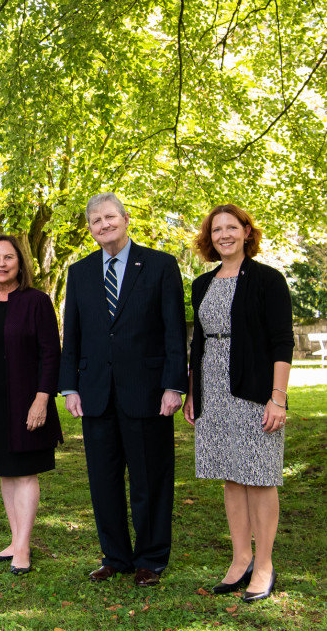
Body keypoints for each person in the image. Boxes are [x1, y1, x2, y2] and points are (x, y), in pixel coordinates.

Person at [59, 192, 187, 587]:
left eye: (110, 217)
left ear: (126, 218)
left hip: (148, 391)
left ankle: (151, 559)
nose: (104, 225)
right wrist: (69, 388)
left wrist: (173, 385)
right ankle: (115, 556)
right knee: (104, 480)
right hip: (96, 392)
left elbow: (173, 331)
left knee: (150, 478)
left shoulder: (161, 265)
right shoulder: (79, 273)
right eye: (96, 221)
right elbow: (73, 336)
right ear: (91, 229)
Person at [183, 204, 293, 603]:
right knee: (231, 474)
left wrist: (278, 398)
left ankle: (263, 565)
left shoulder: (268, 279)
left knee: (259, 476)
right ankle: (240, 557)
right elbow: (198, 343)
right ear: (209, 238)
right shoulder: (202, 283)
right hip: (213, 388)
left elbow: (283, 341)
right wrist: (193, 392)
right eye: (216, 230)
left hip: (255, 388)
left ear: (247, 232)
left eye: (232, 227)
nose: (224, 234)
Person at [0, 235, 62, 576]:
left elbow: (51, 354)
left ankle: (23, 547)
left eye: (8, 257)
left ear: (20, 262)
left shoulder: (36, 301)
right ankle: (15, 540)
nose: (1, 263)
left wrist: (42, 398)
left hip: (27, 399)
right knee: (5, 471)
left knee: (25, 472)